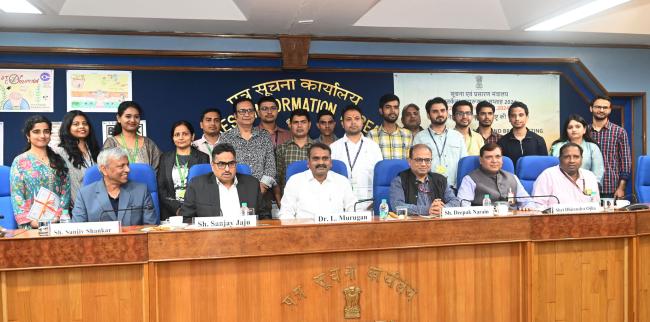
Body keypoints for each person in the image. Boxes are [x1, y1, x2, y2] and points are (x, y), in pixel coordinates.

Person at [10, 115, 71, 229]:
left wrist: (58, 216)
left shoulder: (59, 161)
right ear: (28, 135)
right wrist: (31, 222)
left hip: (57, 223)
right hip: (30, 225)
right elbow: (17, 195)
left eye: (46, 131)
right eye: (36, 132)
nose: (42, 136)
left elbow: (65, 191)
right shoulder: (20, 161)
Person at [219, 97, 275, 218]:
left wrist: (260, 189)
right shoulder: (226, 138)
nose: (247, 114)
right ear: (235, 115)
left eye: (250, 111)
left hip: (262, 195)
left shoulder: (264, 136)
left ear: (255, 114)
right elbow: (221, 166)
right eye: (242, 111)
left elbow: (271, 167)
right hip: (233, 193)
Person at [72, 147, 156, 226]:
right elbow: (77, 232)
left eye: (127, 165)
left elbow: (151, 229)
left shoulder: (141, 191)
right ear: (104, 169)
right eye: (121, 166)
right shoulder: (84, 195)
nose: (128, 170)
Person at [181, 143, 263, 221]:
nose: (227, 169)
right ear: (212, 166)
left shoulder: (252, 184)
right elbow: (186, 219)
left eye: (231, 163)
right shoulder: (197, 185)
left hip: (247, 234)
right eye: (221, 164)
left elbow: (265, 217)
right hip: (210, 235)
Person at [279, 143, 357, 219]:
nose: (321, 162)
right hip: (305, 230)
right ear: (308, 163)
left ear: (330, 163)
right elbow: (286, 213)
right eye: (316, 159)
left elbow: (352, 209)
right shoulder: (295, 181)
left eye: (325, 158)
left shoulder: (342, 181)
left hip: (336, 230)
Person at [330, 105, 383, 205]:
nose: (353, 122)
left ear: (362, 122)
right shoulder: (333, 148)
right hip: (340, 203)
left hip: (368, 202)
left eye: (357, 119)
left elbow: (379, 177)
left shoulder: (373, 147)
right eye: (349, 119)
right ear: (342, 124)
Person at [457, 143, 536, 209]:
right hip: (484, 221)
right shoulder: (470, 179)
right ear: (480, 160)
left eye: (498, 157)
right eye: (489, 157)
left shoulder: (512, 178)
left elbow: (527, 201)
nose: (494, 161)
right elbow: (463, 206)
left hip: (513, 220)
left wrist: (528, 207)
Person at [158, 121, 210, 221]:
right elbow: (161, 188)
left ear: (192, 136)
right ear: (173, 138)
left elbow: (205, 187)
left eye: (185, 134)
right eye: (177, 135)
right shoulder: (165, 158)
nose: (181, 137)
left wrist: (189, 209)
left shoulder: (203, 157)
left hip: (196, 212)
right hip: (171, 213)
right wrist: (177, 208)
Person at [389, 144, 459, 217]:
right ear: (409, 161)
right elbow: (397, 206)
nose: (423, 164)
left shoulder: (440, 179)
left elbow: (455, 202)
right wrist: (427, 210)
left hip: (438, 223)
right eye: (419, 160)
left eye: (427, 160)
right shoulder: (399, 180)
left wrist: (442, 209)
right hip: (412, 224)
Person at [412, 97, 467, 188]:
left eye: (442, 110)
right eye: (435, 111)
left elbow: (464, 164)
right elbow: (416, 165)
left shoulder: (457, 136)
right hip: (428, 189)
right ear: (428, 115)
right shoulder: (420, 137)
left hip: (454, 188)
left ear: (447, 113)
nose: (440, 114)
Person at [587, 96, 631, 198]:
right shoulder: (584, 131)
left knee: (608, 214)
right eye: (598, 107)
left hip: (611, 188)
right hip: (588, 187)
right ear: (591, 108)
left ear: (610, 110)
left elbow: (625, 161)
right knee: (589, 213)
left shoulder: (619, 132)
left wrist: (621, 188)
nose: (601, 110)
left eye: (605, 107)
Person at [532, 143, 600, 207]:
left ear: (581, 159)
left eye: (576, 157)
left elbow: (596, 204)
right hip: (555, 218)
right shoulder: (547, 176)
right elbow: (537, 205)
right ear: (560, 158)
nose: (572, 161)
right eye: (567, 157)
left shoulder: (590, 176)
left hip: (586, 218)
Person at [54, 110, 100, 205]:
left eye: (84, 123)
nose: (81, 126)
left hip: (99, 203)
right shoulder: (60, 152)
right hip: (76, 206)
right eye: (76, 124)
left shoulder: (94, 150)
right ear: (67, 128)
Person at [103, 101, 162, 171]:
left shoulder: (149, 144)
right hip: (119, 182)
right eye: (128, 116)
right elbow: (107, 170)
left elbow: (158, 171)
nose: (133, 120)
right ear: (118, 118)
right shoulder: (111, 143)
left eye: (136, 117)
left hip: (145, 182)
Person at [550, 114, 604, 183]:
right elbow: (551, 169)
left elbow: (598, 174)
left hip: (586, 188)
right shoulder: (556, 147)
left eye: (577, 127)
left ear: (584, 130)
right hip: (559, 186)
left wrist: (591, 190)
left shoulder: (593, 147)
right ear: (566, 131)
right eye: (570, 127)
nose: (574, 130)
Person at [497, 101, 547, 166]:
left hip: (535, 176)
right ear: (509, 118)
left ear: (527, 117)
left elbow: (544, 164)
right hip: (510, 176)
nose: (517, 119)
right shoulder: (502, 142)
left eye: (521, 115)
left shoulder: (538, 140)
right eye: (513, 116)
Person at [275, 109, 314, 191]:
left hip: (314, 198)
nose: (299, 126)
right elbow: (277, 180)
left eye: (303, 122)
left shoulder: (318, 149)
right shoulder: (281, 149)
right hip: (288, 200)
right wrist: (280, 202)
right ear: (290, 125)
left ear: (309, 125)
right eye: (296, 122)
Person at [367, 93, 412, 159]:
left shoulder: (407, 134)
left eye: (396, 107)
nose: (393, 111)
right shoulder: (371, 135)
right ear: (381, 111)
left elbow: (411, 162)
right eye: (388, 107)